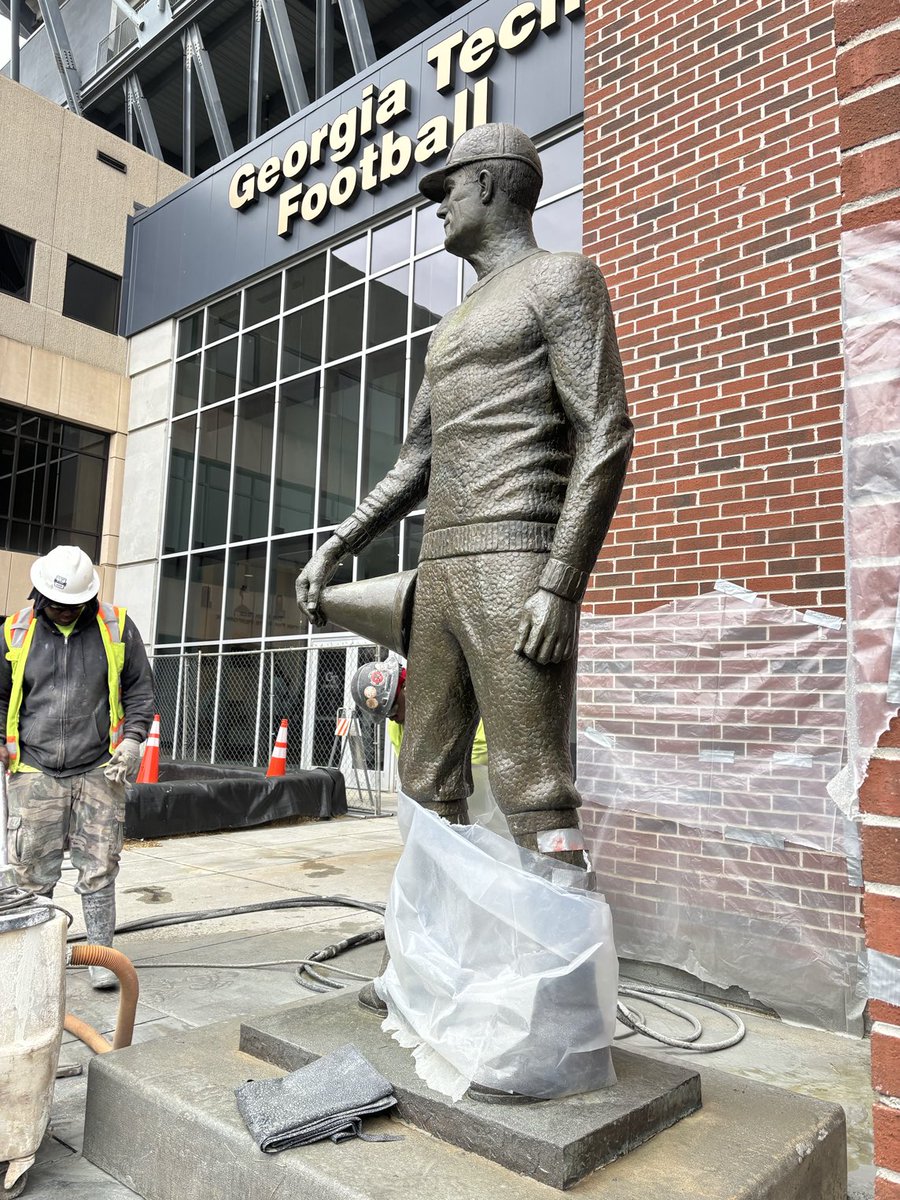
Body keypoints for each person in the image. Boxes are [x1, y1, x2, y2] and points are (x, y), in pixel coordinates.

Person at [298, 123, 633, 870]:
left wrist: (561, 583)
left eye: (446, 189)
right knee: (422, 781)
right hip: (440, 573)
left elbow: (606, 431)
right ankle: (429, 968)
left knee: (534, 786)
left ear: (488, 182)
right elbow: (415, 459)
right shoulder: (448, 329)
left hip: (518, 560)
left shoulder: (561, 279)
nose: (439, 207)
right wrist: (338, 543)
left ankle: (561, 985)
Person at [0, 545, 154, 987]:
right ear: (40, 595)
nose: (64, 612)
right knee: (32, 872)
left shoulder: (117, 627)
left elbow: (139, 692)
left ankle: (100, 958)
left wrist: (132, 740)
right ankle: (34, 958)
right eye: (56, 605)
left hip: (100, 768)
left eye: (73, 606)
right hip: (34, 768)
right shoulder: (14, 632)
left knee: (100, 865)